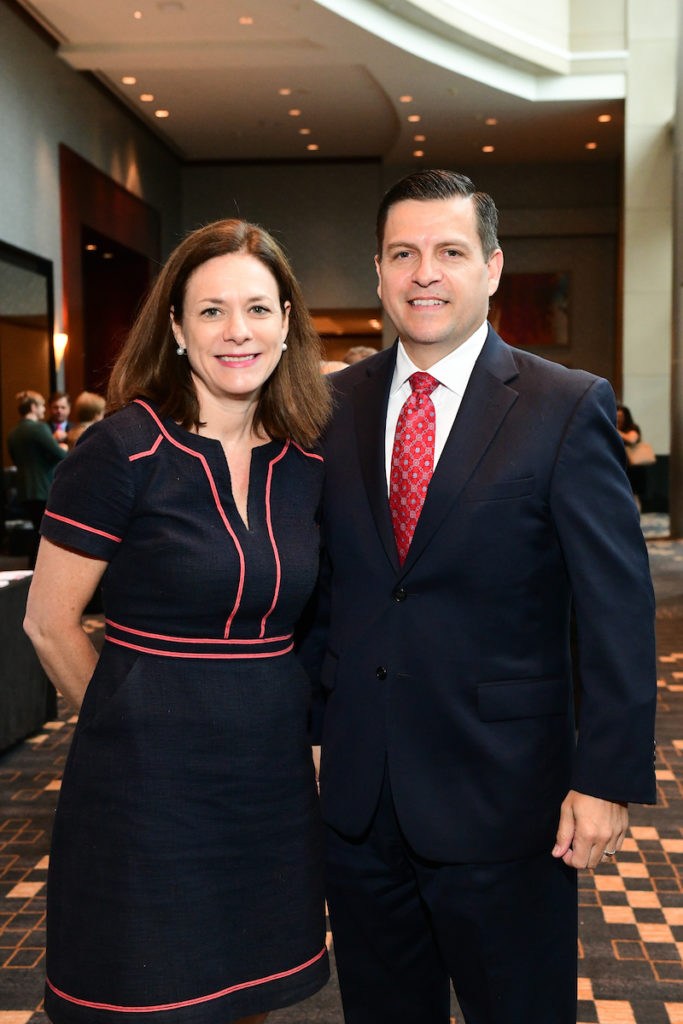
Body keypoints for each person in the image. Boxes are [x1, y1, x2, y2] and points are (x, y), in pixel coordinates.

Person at [300, 169, 657, 1024]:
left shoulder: (564, 406)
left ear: (491, 268)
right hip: (359, 800)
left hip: (508, 802)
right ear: (379, 273)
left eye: (450, 252)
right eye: (404, 254)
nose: (426, 272)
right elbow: (323, 584)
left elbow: (617, 608)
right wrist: (312, 728)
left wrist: (604, 777)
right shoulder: (325, 405)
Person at [24, 219, 332, 1024]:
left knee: (248, 993)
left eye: (259, 309)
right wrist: (130, 726)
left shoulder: (307, 461)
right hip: (145, 785)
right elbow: (49, 624)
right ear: (175, 327)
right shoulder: (121, 449)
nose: (239, 331)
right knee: (147, 993)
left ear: (286, 322)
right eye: (212, 311)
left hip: (268, 778)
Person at [7, 390, 67, 564]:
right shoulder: (39, 428)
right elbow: (59, 454)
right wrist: (62, 445)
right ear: (33, 407)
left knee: (37, 530)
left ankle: (33, 568)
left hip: (25, 490)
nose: (43, 410)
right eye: (41, 406)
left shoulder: (13, 433)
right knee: (45, 533)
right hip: (43, 488)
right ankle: (39, 568)